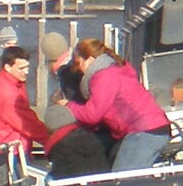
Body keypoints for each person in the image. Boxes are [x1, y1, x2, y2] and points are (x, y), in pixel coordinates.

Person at [67, 35, 173, 171]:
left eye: (79, 63)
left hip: (144, 130)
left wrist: (69, 106)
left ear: (91, 60)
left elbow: (92, 115)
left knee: (122, 182)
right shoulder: (116, 70)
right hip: (155, 126)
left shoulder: (104, 77)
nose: (79, 69)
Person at [0, 44, 56, 157]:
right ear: (8, 67)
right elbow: (26, 124)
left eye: (27, 67)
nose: (26, 72)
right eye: (21, 68)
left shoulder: (4, 79)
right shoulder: (9, 94)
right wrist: (52, 140)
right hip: (7, 149)